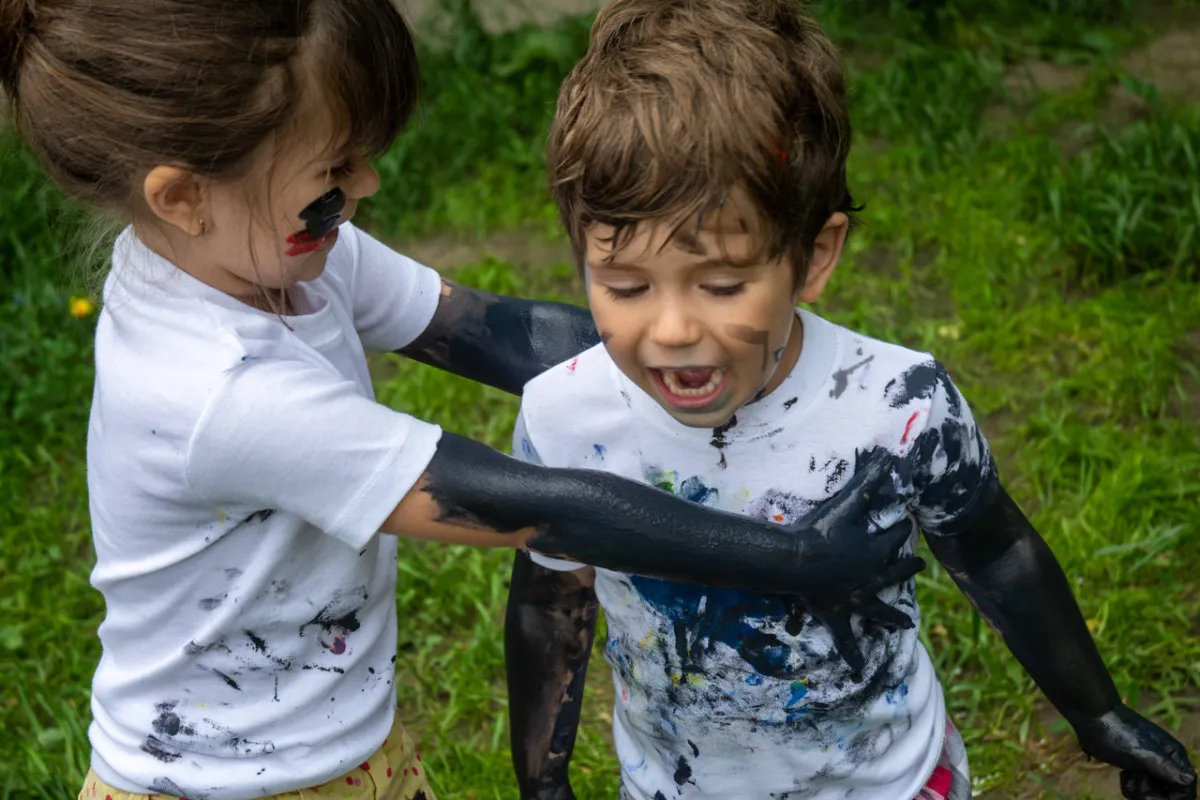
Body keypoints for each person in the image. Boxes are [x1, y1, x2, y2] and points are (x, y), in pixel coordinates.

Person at [0, 1, 929, 799]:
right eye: (334, 174)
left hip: (333, 741)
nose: (366, 186)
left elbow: (488, 330)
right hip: (212, 780)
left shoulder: (264, 256)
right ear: (183, 197)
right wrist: (798, 555)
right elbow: (537, 508)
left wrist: (717, 353)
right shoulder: (218, 390)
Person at [503, 2, 1199, 799]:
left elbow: (998, 554)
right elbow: (550, 604)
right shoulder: (566, 420)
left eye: (721, 284)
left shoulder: (898, 407)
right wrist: (543, 783)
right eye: (625, 286)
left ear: (813, 257)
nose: (671, 331)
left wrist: (1099, 713)